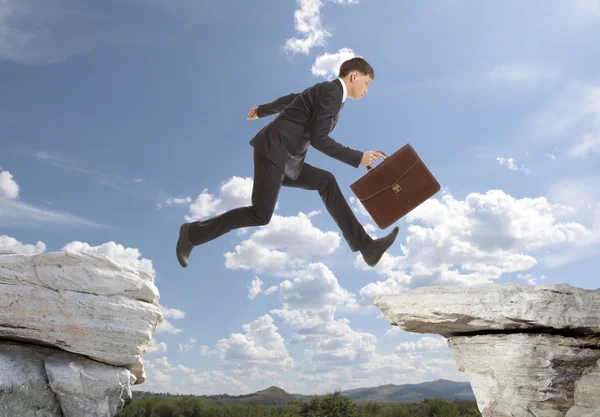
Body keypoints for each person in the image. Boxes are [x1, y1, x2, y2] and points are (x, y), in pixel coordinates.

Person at [176, 57, 399, 268]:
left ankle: (366, 247)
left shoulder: (327, 91)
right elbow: (319, 139)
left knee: (326, 181)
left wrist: (262, 111)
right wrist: (357, 157)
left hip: (287, 158)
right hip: (274, 151)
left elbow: (292, 98)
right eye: (367, 83)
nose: (367, 89)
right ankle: (192, 233)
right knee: (260, 214)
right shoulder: (332, 93)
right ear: (353, 76)